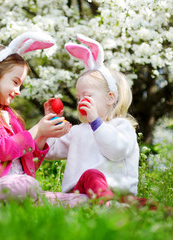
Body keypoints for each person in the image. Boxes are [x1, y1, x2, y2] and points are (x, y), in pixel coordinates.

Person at [0, 32, 87, 206]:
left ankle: (104, 203)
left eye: (20, 85)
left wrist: (43, 135)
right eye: (15, 82)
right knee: (24, 186)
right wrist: (36, 130)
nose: (18, 91)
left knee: (79, 199)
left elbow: (29, 164)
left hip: (19, 188)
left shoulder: (13, 118)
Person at [45, 34, 141, 205]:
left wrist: (96, 122)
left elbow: (116, 151)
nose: (81, 101)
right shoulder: (77, 131)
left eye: (87, 95)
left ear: (110, 98)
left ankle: (116, 205)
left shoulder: (122, 126)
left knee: (143, 204)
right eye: (79, 97)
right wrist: (50, 123)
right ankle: (107, 206)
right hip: (81, 190)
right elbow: (50, 151)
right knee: (91, 174)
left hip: (118, 192)